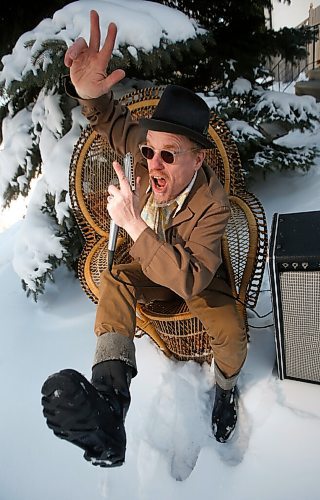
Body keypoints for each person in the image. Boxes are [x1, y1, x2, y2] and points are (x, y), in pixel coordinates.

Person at [41, 10, 247, 467]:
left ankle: (227, 390)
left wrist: (134, 224)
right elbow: (111, 120)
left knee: (232, 336)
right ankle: (110, 405)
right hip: (151, 262)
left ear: (197, 160)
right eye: (149, 150)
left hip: (195, 272)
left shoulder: (213, 202)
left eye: (168, 156)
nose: (152, 163)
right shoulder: (144, 150)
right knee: (117, 277)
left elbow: (191, 279)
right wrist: (90, 95)